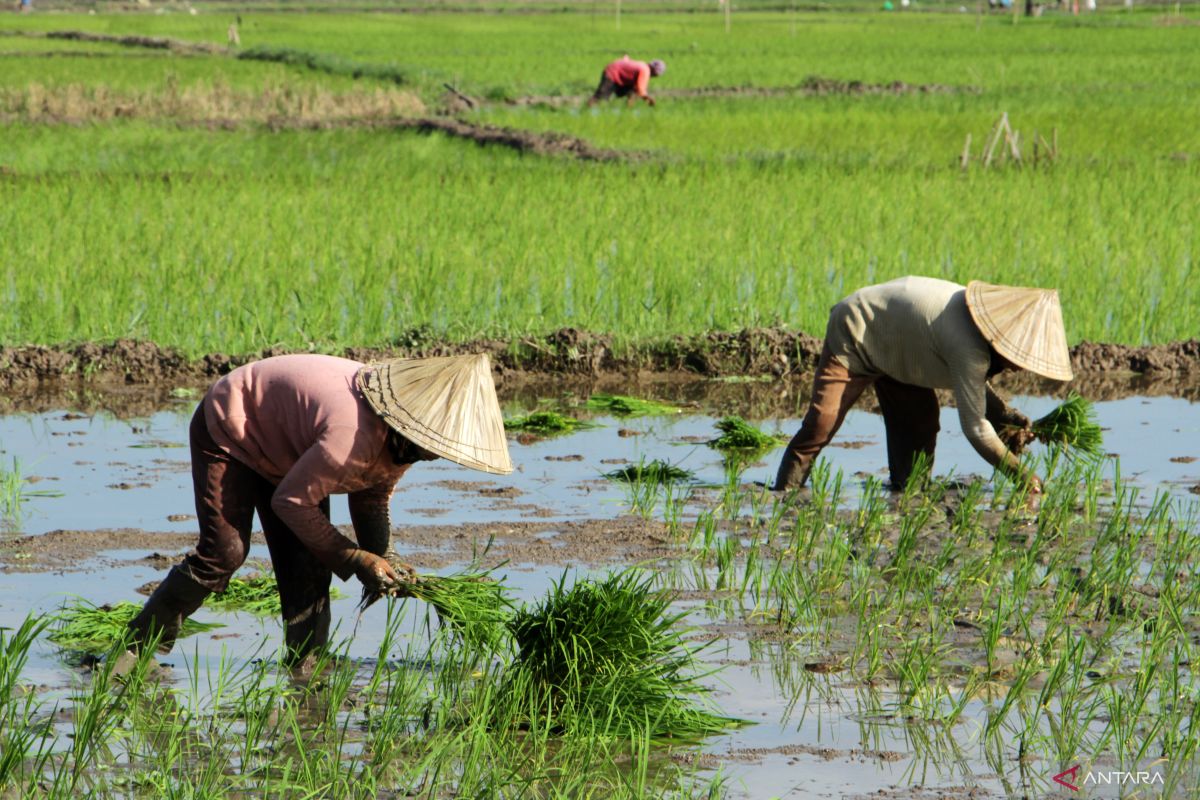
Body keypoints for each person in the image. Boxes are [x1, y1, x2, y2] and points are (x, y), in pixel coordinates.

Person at [117, 353, 512, 673]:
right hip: (233, 425)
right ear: (417, 426)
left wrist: (384, 558)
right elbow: (289, 503)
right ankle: (131, 654)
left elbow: (371, 496)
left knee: (308, 564)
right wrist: (356, 559)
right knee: (224, 553)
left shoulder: (403, 439)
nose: (438, 454)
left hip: (291, 448)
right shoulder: (351, 435)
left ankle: (305, 665)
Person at [772, 276, 1074, 494]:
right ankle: (785, 490)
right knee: (822, 423)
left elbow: (972, 387)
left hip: (903, 350)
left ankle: (908, 493)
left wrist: (1004, 414)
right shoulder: (969, 346)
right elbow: (976, 428)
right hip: (857, 329)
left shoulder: (975, 340)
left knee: (920, 424)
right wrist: (1019, 474)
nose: (1021, 365)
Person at [586, 55, 666, 108]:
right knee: (601, 97)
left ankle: (628, 110)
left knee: (633, 92)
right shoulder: (645, 70)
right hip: (612, 73)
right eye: (656, 75)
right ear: (655, 72)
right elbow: (641, 90)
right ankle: (586, 109)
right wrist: (649, 100)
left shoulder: (643, 66)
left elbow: (638, 89)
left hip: (620, 75)